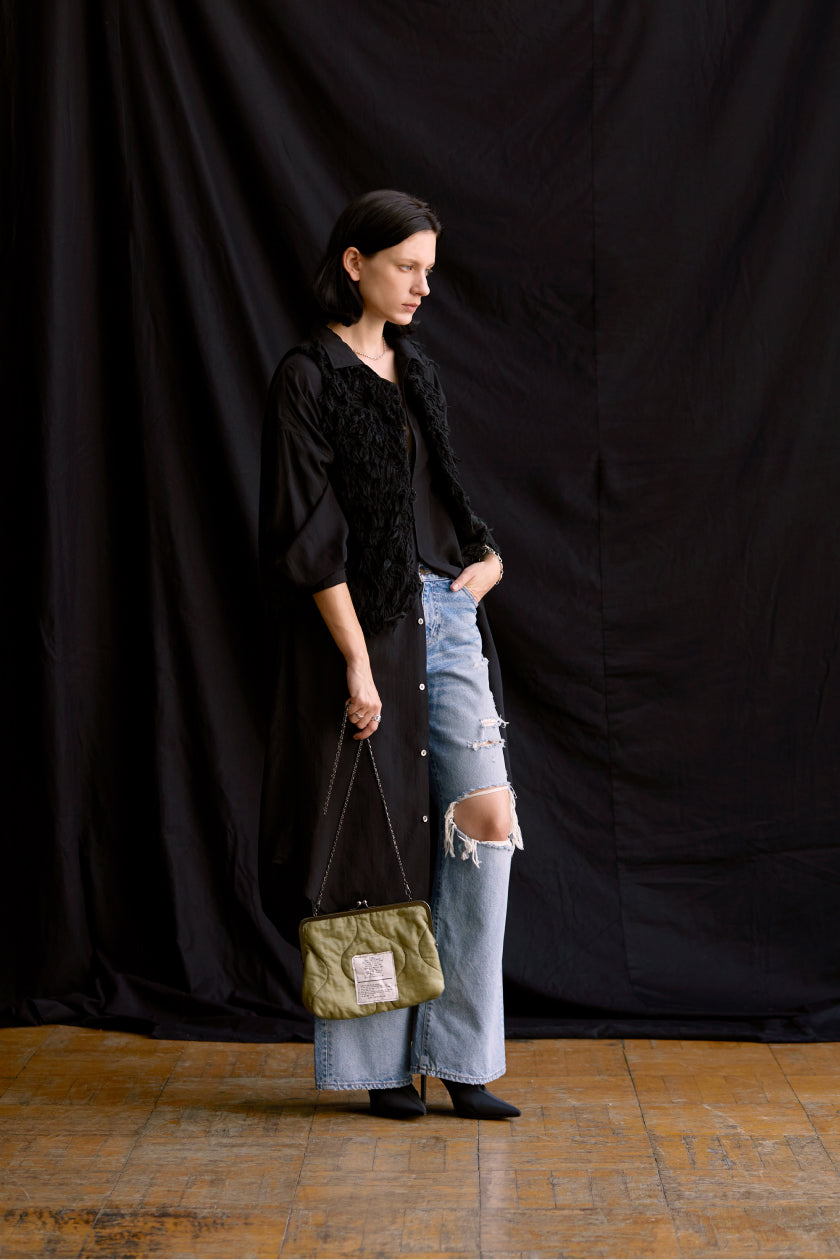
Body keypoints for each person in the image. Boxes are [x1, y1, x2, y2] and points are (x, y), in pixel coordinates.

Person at [258, 189, 523, 1120]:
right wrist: (356, 662)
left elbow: (440, 493)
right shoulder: (309, 376)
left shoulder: (418, 370)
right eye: (407, 267)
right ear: (355, 262)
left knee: (484, 819)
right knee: (381, 841)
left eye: (428, 272)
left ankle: (460, 1055)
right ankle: (379, 1067)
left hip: (446, 614)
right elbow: (305, 533)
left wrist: (485, 561)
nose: (421, 287)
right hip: (365, 625)